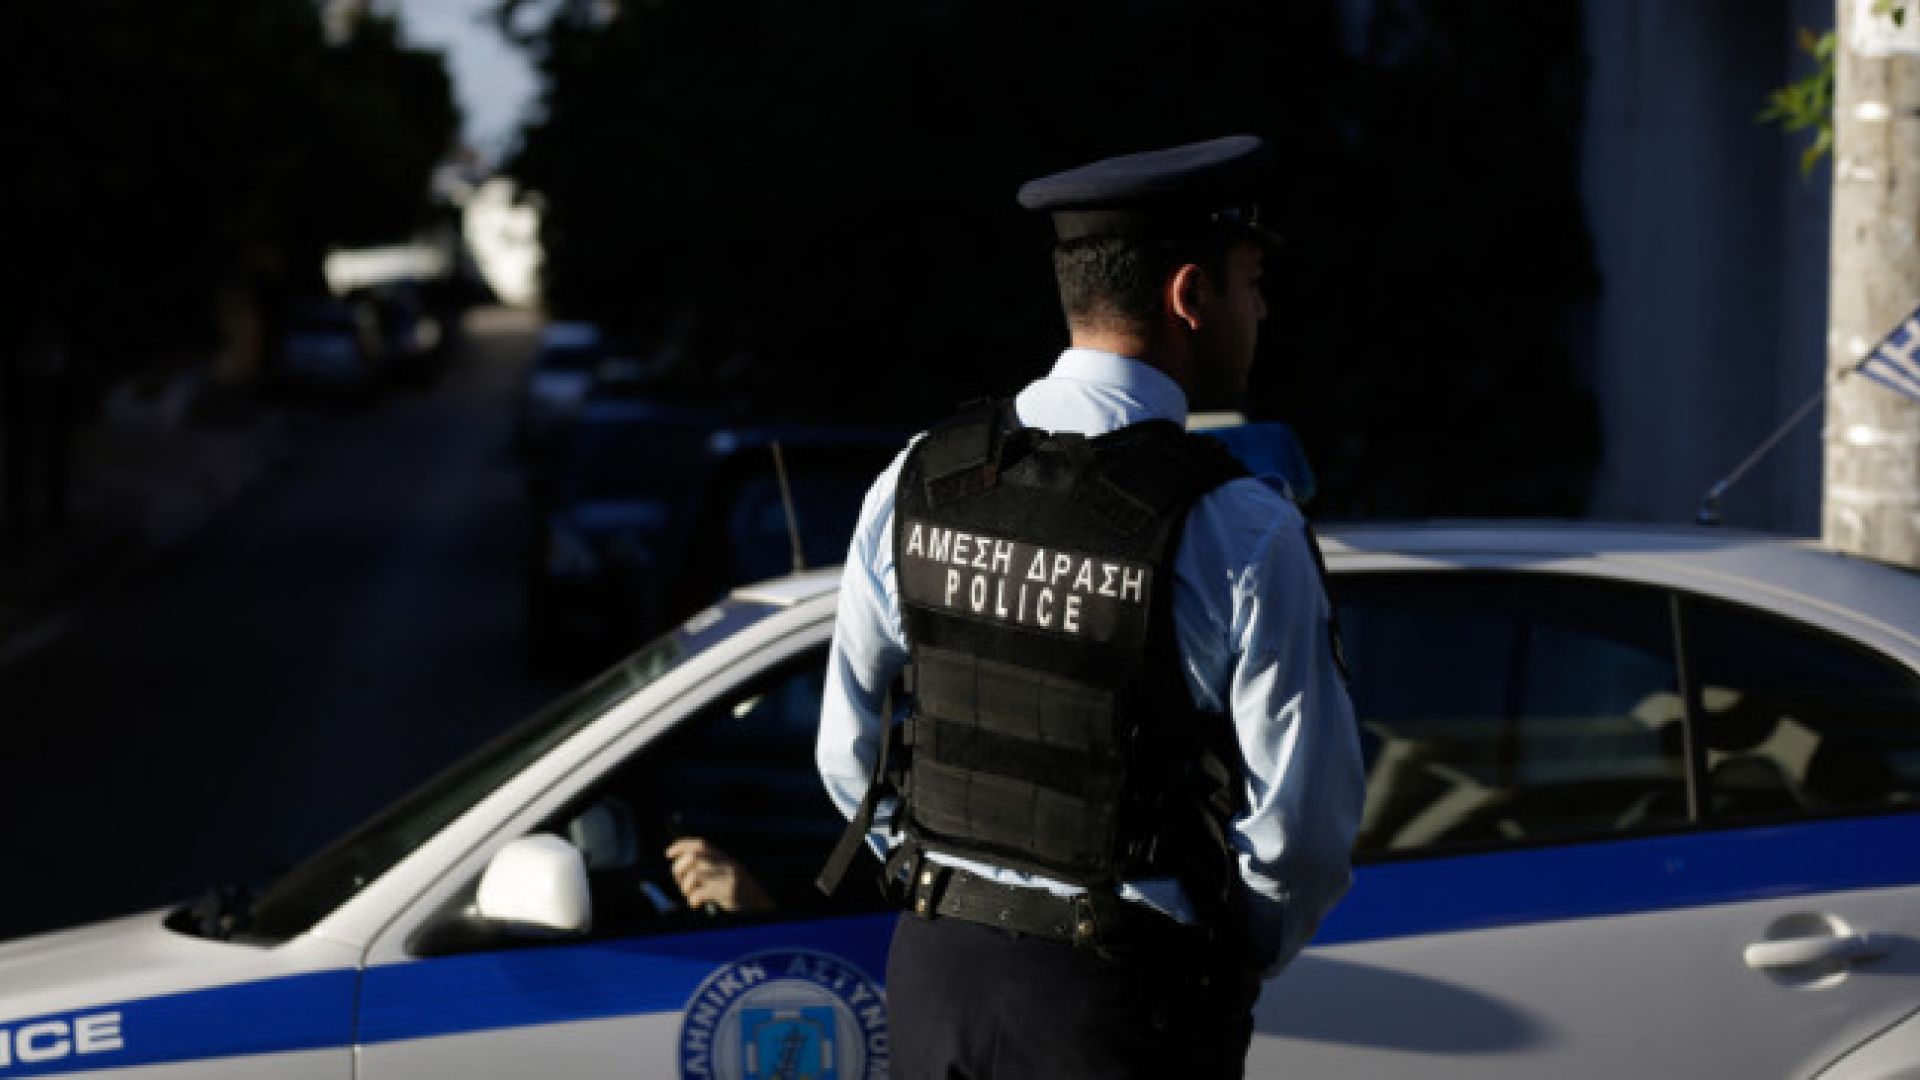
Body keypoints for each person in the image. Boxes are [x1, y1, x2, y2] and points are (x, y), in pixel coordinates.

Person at [814, 134, 1366, 1079]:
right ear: (1190, 296)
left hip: (939, 975)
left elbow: (846, 754)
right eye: (1252, 282)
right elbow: (1303, 831)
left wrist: (946, 877)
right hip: (1119, 999)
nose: (1263, 310)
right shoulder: (1240, 527)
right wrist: (1226, 949)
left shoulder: (920, 478)